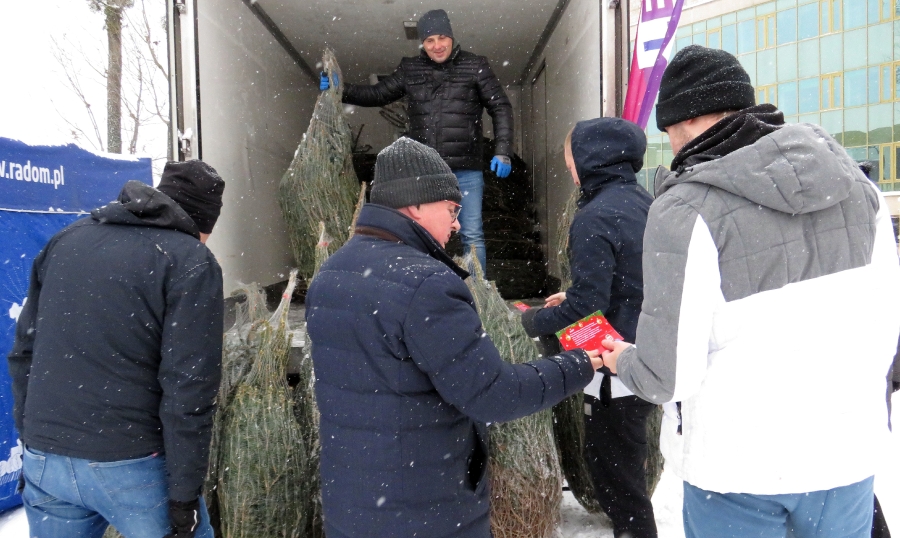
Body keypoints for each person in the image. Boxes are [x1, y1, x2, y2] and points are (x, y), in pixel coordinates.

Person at [599, 45, 900, 538]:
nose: (671, 147)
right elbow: (886, 325)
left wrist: (623, 360)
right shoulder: (856, 188)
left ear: (687, 119)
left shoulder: (686, 210)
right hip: (845, 459)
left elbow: (668, 376)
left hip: (738, 469)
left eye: (668, 131)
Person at [305, 137, 601, 538]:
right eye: (451, 209)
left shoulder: (332, 273)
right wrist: (578, 364)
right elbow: (493, 394)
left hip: (355, 505)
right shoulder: (425, 284)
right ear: (415, 204)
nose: (457, 223)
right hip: (425, 510)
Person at [8, 161, 226, 538]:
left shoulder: (67, 240)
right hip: (131, 466)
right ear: (202, 223)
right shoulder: (190, 260)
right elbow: (188, 390)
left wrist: (32, 444)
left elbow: (24, 353)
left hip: (47, 460)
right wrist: (184, 498)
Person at [519, 117, 657, 538]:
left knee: (619, 481)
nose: (571, 173)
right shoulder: (643, 202)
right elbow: (634, 276)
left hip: (616, 367)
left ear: (591, 159)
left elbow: (588, 304)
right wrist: (577, 295)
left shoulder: (596, 216)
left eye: (571, 164)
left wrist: (532, 320)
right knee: (622, 469)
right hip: (646, 352)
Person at [321, 8, 514, 273]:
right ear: (423, 43)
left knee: (471, 234)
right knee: (423, 233)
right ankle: (427, 285)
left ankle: (474, 291)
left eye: (442, 38)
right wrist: (341, 88)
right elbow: (377, 94)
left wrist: (503, 150)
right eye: (430, 40)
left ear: (451, 37)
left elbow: (500, 106)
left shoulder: (475, 65)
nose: (437, 45)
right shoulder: (410, 69)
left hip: (466, 169)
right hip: (426, 172)